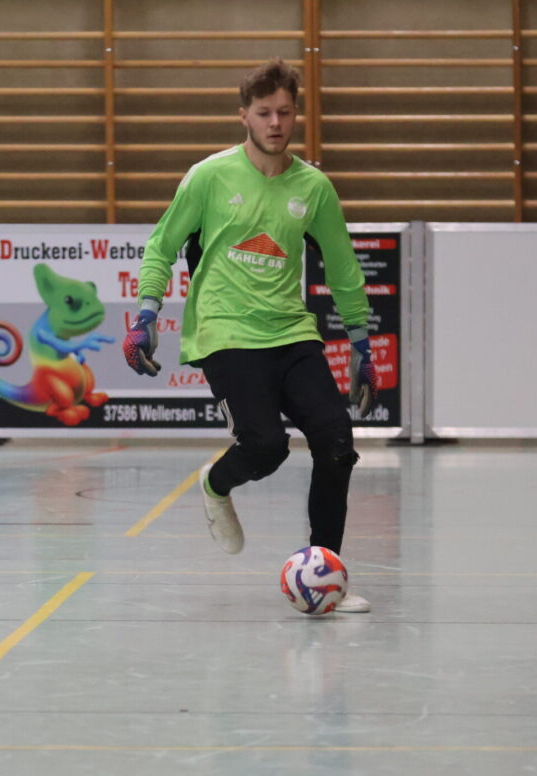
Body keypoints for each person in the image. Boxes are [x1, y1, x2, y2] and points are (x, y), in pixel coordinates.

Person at [124, 58, 379, 613]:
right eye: (264, 112)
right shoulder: (209, 177)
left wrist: (361, 344)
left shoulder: (313, 187)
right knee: (265, 447)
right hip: (225, 331)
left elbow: (342, 268)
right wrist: (146, 314)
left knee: (337, 444)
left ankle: (324, 574)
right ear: (244, 115)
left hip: (291, 330)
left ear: (296, 114)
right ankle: (216, 484)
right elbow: (161, 246)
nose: (275, 123)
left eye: (285, 112)